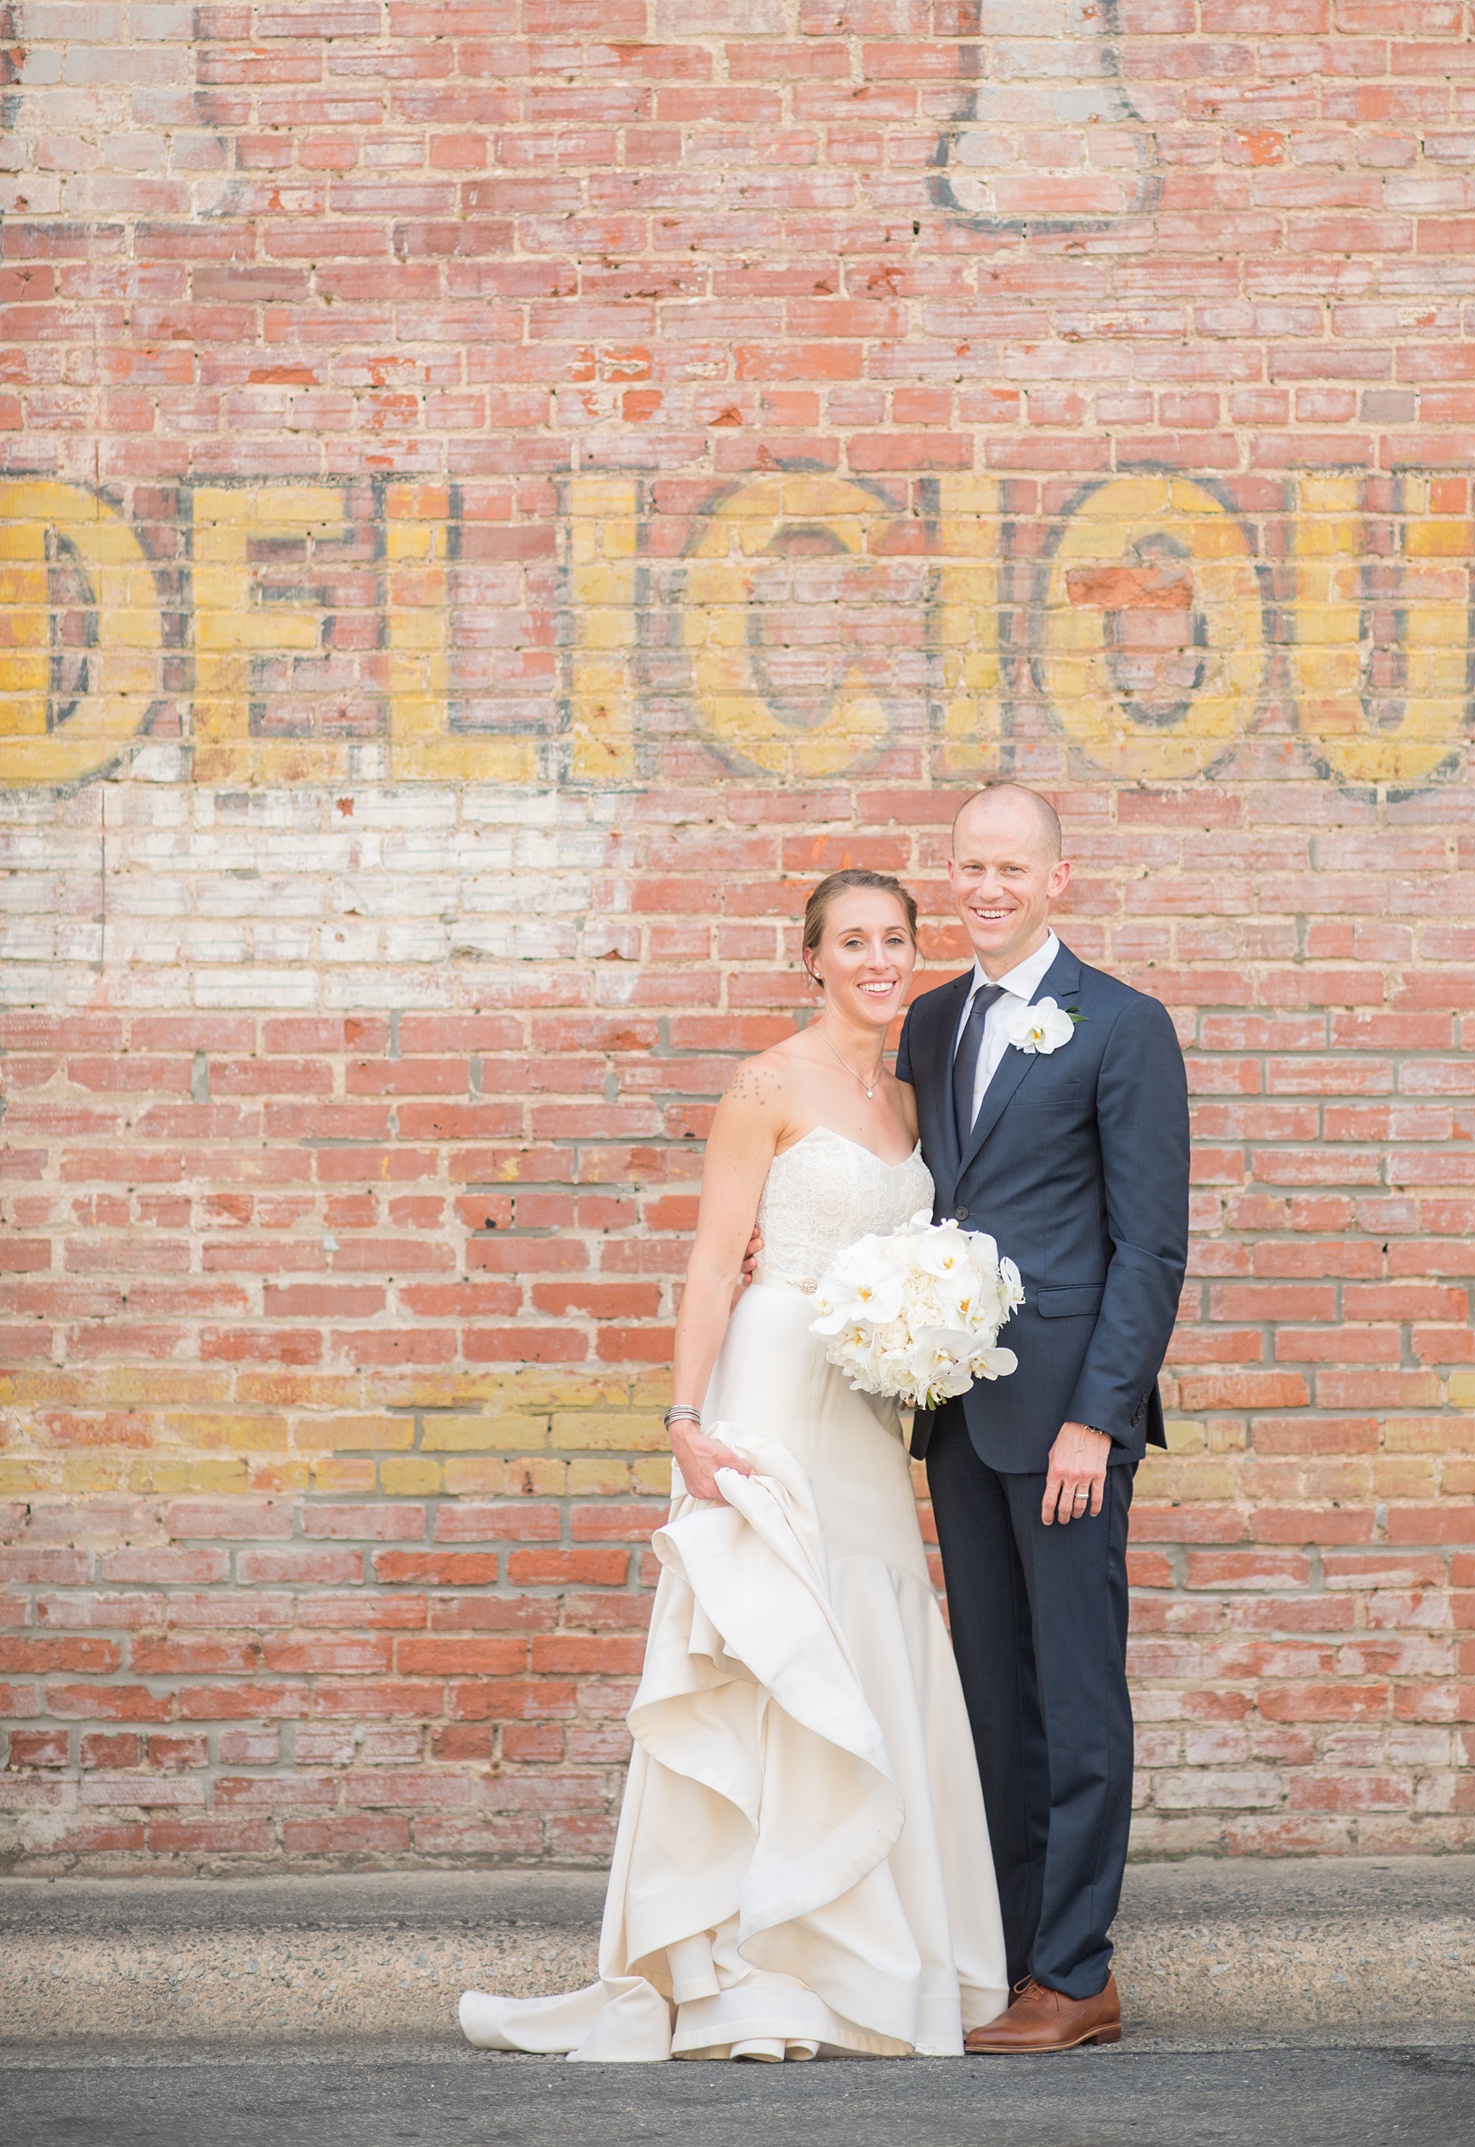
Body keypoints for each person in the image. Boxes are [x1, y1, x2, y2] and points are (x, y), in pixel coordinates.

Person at [458, 870, 1006, 2063]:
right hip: (767, 1382)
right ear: (808, 958)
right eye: (850, 941)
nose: (876, 959)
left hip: (865, 1402)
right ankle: (735, 1960)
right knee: (764, 1638)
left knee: (864, 1629)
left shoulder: (915, 1102)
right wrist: (684, 1419)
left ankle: (855, 1955)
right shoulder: (763, 1085)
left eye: (894, 939)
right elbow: (713, 1263)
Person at [896, 784, 1190, 2054]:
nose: (987, 887)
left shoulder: (1120, 1026)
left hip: (1066, 1419)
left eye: (1011, 867)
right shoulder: (925, 1021)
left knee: (1074, 1695)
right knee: (988, 1701)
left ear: (1057, 879)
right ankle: (1012, 1960)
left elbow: (1149, 1246)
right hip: (956, 1414)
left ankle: (1078, 1974)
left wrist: (1096, 1420)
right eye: (969, 865)